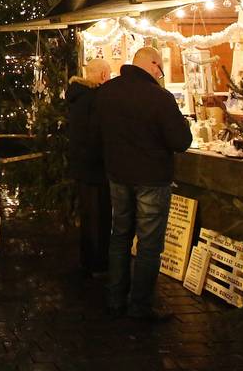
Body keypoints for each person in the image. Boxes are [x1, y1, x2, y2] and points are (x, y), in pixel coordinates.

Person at [90, 47, 192, 321]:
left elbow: (95, 133)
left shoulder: (106, 93)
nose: (161, 74)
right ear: (154, 65)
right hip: (152, 178)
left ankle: (114, 299)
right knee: (148, 244)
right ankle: (140, 307)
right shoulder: (159, 97)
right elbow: (181, 142)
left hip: (118, 175)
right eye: (160, 68)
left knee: (120, 235)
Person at [67, 59, 113, 275]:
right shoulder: (95, 98)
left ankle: (87, 260)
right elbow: (97, 135)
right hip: (96, 167)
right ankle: (98, 263)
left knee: (88, 216)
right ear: (103, 75)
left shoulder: (78, 95)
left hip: (82, 166)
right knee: (100, 217)